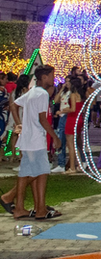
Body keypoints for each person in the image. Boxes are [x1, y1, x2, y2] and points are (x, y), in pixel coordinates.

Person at [0, 65, 61, 220]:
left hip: (27, 138)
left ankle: (26, 207)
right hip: (35, 139)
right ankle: (31, 206)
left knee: (28, 172)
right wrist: (54, 136)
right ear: (44, 77)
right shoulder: (41, 94)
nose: (53, 79)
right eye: (52, 76)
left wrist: (20, 123)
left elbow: (13, 104)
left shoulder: (32, 91)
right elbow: (42, 119)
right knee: (40, 172)